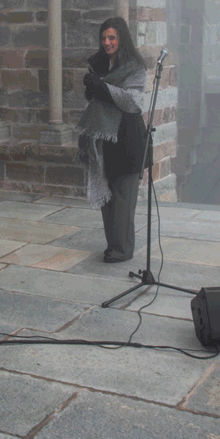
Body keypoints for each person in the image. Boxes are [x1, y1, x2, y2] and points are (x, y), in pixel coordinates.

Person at [76, 16, 148, 263]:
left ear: (122, 38)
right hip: (105, 136)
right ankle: (112, 245)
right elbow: (97, 100)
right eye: (104, 38)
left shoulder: (135, 66)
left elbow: (131, 100)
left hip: (128, 135)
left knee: (123, 196)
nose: (107, 42)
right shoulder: (100, 63)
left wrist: (101, 88)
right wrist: (92, 88)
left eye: (112, 38)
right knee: (107, 194)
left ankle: (123, 249)